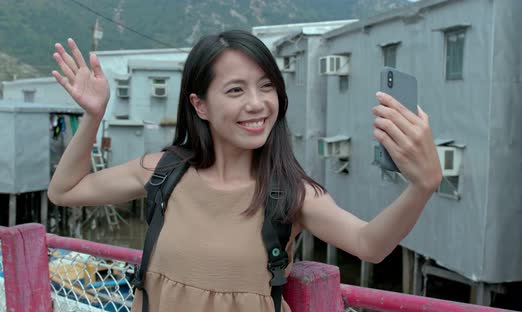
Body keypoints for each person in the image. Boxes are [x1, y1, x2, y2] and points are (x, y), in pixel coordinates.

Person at [48, 29, 442, 312]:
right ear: (200, 105)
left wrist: (423, 185)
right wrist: (93, 115)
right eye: (236, 90)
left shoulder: (290, 192)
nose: (257, 104)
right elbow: (66, 190)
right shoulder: (164, 172)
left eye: (266, 86)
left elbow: (370, 244)